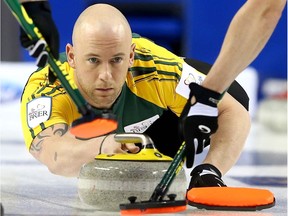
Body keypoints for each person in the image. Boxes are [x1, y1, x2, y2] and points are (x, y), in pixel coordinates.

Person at [20, 4, 251, 193]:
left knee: (235, 94)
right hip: (99, 142)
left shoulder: (156, 68)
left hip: (161, 123)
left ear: (131, 56)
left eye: (117, 60)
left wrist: (210, 169)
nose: (105, 76)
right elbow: (53, 155)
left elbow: (233, 110)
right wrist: (105, 145)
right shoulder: (47, 86)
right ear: (71, 56)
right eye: (93, 60)